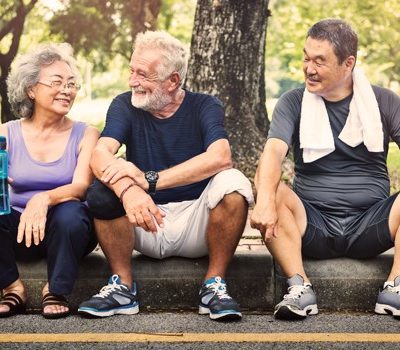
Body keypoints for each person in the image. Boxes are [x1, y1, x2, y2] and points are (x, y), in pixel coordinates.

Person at [77, 31, 253, 321]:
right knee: (100, 191)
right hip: (144, 221)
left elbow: (220, 157)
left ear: (173, 81)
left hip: (197, 223)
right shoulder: (125, 104)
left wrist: (149, 180)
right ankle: (122, 286)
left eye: (143, 74)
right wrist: (129, 191)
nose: (133, 80)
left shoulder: (205, 105)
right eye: (132, 70)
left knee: (234, 183)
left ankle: (214, 286)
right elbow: (100, 155)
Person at [251, 18, 400, 320]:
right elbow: (273, 153)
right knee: (272, 189)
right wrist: (264, 201)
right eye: (306, 58)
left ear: (348, 63)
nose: (309, 68)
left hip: (371, 225)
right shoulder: (293, 102)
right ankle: (299, 288)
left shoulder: (383, 101)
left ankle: (395, 288)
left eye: (320, 61)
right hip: (313, 224)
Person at [0, 43, 99, 319]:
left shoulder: (86, 134)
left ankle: (55, 290)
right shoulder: (5, 134)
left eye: (71, 83)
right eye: (57, 82)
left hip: (68, 232)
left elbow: (80, 188)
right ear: (31, 89)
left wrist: (43, 198)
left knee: (72, 211)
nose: (67, 90)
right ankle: (12, 287)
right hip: (19, 232)